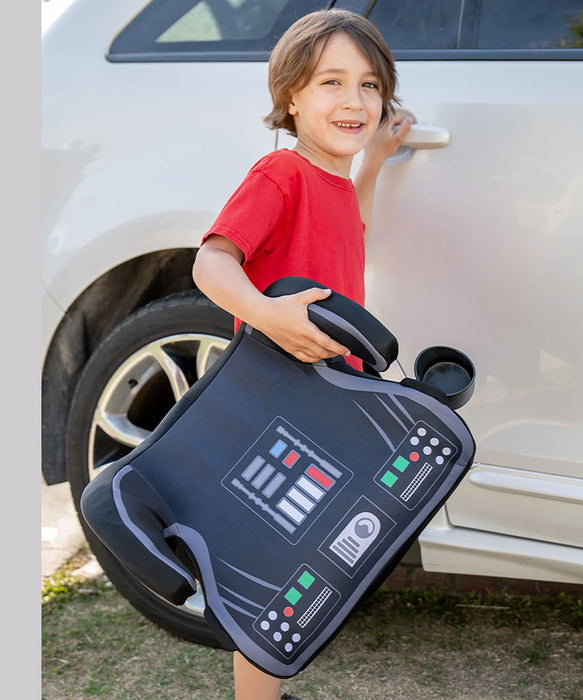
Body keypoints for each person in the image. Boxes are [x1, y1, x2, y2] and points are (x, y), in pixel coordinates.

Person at [192, 8, 412, 699]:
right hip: (275, 405)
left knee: (295, 569)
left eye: (370, 86)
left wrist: (372, 161)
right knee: (272, 574)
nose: (354, 101)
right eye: (331, 83)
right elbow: (211, 261)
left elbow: (353, 228)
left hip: (320, 406)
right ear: (291, 96)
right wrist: (264, 313)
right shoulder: (281, 173)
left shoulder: (333, 182)